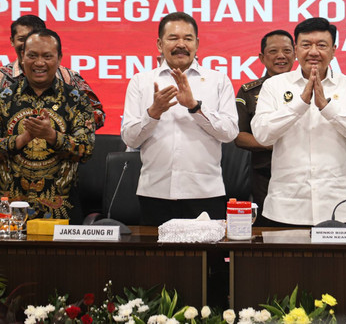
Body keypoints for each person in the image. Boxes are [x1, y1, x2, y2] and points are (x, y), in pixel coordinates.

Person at [251, 17, 346, 226]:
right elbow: (262, 134)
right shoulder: (274, 86)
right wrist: (299, 104)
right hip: (286, 207)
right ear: (296, 49)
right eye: (306, 45)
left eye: (322, 45)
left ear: (334, 50)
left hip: (340, 207)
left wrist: (327, 107)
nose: (314, 51)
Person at [121, 12, 238, 226]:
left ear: (197, 43)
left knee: (207, 260)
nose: (181, 44)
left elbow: (230, 133)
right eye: (173, 38)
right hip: (155, 193)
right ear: (159, 43)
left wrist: (195, 107)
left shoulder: (218, 80)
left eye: (188, 38)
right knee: (158, 259)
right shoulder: (141, 82)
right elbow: (130, 139)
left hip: (205, 193)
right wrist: (153, 113)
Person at [0, 29, 95, 221]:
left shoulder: (77, 100)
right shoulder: (4, 99)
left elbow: (86, 150)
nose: (39, 63)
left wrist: (51, 136)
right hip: (9, 211)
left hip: (62, 209)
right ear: (21, 56)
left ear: (59, 58)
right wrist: (21, 139)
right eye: (32, 56)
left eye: (47, 56)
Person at [1, 15, 105, 130]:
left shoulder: (68, 77)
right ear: (12, 41)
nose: (28, 44)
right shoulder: (1, 77)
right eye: (22, 39)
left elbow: (97, 113)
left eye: (35, 39)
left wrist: (62, 127)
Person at [235, 30, 295, 223]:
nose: (281, 56)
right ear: (262, 57)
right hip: (265, 175)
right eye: (273, 51)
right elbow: (239, 136)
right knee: (268, 231)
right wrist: (273, 145)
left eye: (287, 50)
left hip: (302, 174)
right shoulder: (248, 92)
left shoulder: (309, 88)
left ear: (295, 54)